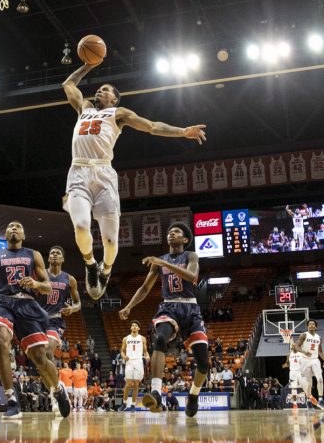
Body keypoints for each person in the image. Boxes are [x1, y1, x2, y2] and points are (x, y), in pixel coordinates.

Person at [60, 62, 207, 299]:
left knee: (110, 240)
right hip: (78, 171)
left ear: (114, 100)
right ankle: (90, 265)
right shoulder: (84, 108)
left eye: (106, 90)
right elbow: (68, 84)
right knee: (80, 225)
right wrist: (88, 64)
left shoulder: (119, 114)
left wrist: (182, 132)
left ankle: (105, 270)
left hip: (104, 175)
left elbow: (152, 127)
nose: (100, 91)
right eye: (99, 88)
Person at [0, 220, 70, 419]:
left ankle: (57, 389)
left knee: (40, 358)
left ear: (23, 236)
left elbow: (48, 287)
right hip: (4, 303)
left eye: (18, 227)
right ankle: (11, 399)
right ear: (5, 234)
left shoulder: (33, 255)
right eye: (10, 227)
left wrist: (34, 282)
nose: (14, 229)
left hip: (27, 304)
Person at [118, 223, 209, 417]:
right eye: (169, 232)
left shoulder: (190, 256)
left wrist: (164, 264)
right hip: (169, 306)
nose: (171, 234)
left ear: (185, 239)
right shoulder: (160, 261)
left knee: (203, 363)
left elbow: (192, 275)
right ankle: (156, 392)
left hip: (191, 307)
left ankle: (193, 395)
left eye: (176, 232)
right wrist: (129, 306)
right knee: (159, 339)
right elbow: (144, 288)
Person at [40, 246, 80, 414]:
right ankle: (56, 391)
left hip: (55, 320)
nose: (54, 255)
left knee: (48, 350)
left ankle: (55, 394)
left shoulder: (69, 279)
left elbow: (78, 303)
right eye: (51, 253)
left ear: (63, 259)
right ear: (48, 259)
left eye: (58, 253)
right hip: (38, 319)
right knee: (40, 362)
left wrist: (73, 308)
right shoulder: (40, 275)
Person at [299, 319, 324, 409]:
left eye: (313, 324)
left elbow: (320, 351)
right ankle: (308, 400)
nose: (311, 325)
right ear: (307, 326)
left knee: (320, 379)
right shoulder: (304, 335)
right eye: (309, 324)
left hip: (315, 360)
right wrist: (304, 352)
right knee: (309, 384)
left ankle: (320, 400)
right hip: (305, 360)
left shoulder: (319, 338)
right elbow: (297, 346)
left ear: (316, 326)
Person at [120, 320, 149, 411]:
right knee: (128, 384)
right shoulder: (126, 338)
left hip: (138, 361)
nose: (134, 327)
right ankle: (124, 403)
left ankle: (133, 404)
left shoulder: (142, 338)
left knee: (136, 384)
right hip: (129, 362)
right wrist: (124, 357)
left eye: (136, 325)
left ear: (139, 328)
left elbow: (145, 351)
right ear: (130, 328)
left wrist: (147, 356)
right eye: (132, 325)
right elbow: (122, 351)